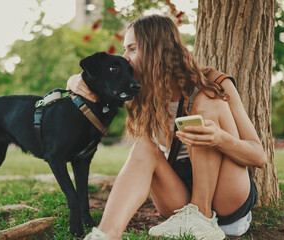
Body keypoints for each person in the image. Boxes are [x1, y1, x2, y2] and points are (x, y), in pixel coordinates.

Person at [67, 15, 267, 240]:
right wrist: (75, 80)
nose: (125, 58)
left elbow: (259, 157)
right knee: (143, 145)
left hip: (227, 193)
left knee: (207, 99)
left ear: (158, 50)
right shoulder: (141, 91)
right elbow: (96, 79)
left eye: (132, 49)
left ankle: (202, 215)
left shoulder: (213, 81)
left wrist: (219, 138)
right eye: (125, 49)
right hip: (179, 200)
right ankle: (105, 235)